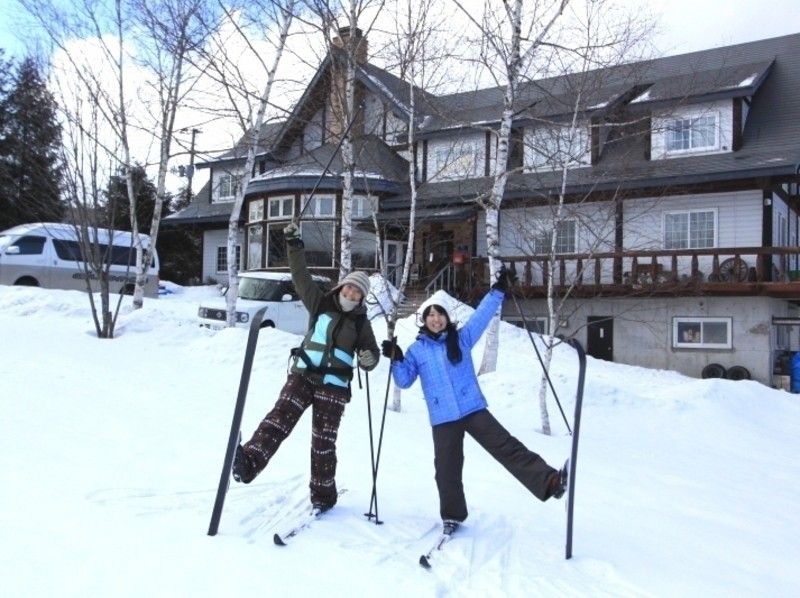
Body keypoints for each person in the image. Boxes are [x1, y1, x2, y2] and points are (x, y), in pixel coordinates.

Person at [381, 267, 567, 534]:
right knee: (446, 470)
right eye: (430, 315)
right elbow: (404, 381)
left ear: (446, 317)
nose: (435, 319)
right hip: (443, 417)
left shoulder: (462, 339)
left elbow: (481, 316)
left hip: (472, 409)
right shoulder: (417, 350)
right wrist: (397, 358)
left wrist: (498, 290)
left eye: (439, 314)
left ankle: (549, 481)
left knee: (507, 447)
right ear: (424, 320)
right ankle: (452, 515)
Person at [233, 222, 380, 513]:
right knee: (278, 420)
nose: (351, 294)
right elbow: (299, 275)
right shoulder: (320, 303)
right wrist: (294, 244)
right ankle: (248, 463)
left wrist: (368, 359)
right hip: (303, 375)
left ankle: (323, 496)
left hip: (334, 387)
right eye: (350, 288)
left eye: (357, 293)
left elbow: (371, 355)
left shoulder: (361, 323)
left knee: (323, 443)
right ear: (342, 286)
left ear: (362, 298)